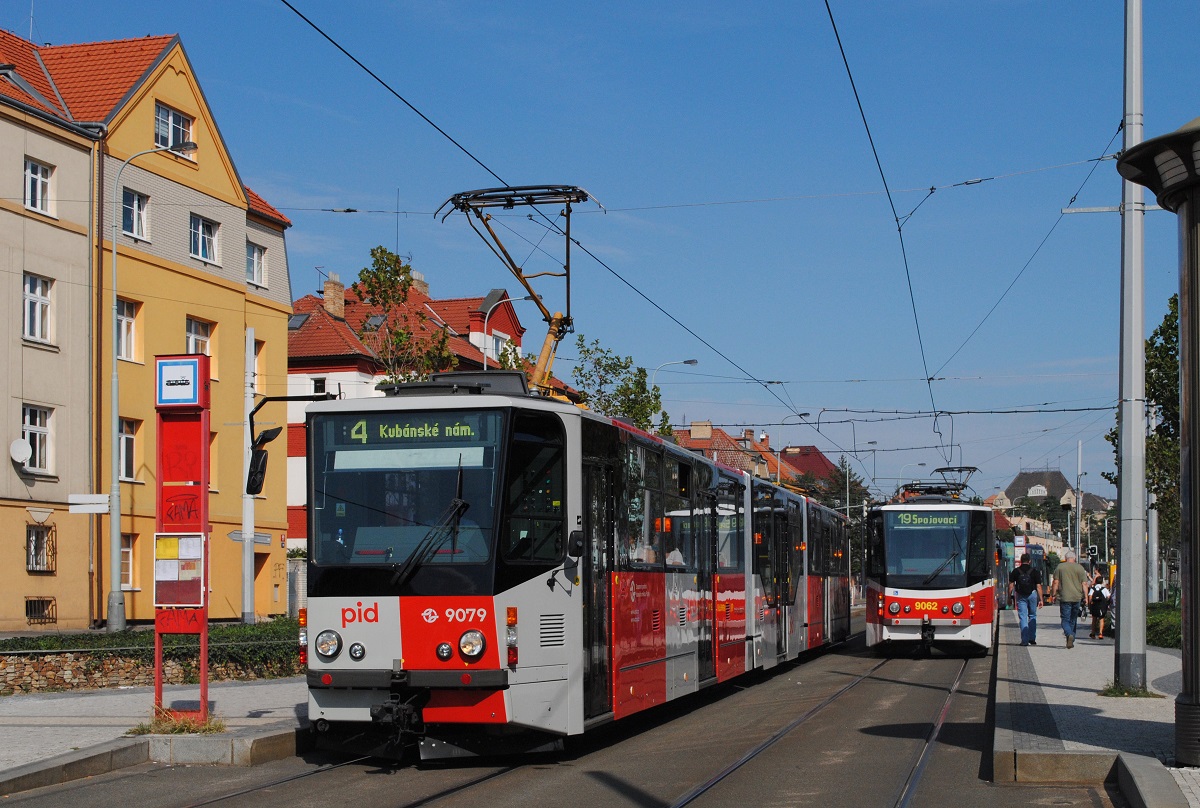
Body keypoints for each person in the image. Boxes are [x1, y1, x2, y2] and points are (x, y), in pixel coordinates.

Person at [1049, 549, 1090, 648]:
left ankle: (1068, 634)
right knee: (1073, 619)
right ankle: (1071, 637)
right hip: (1077, 598)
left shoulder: (1060, 567)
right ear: (1075, 558)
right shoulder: (1080, 568)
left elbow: (1055, 582)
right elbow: (1084, 584)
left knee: (1065, 619)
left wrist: (1053, 594)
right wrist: (1086, 598)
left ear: (1065, 558)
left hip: (1064, 597)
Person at [1008, 552, 1043, 647]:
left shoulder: (1016, 571)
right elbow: (1038, 586)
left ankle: (1024, 640)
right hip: (1032, 595)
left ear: (1020, 561)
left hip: (1021, 595)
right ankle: (1032, 639)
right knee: (1032, 616)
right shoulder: (1034, 571)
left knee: (1023, 617)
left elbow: (1011, 586)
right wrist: (1041, 599)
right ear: (1030, 561)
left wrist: (1009, 598)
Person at [1087, 573, 1111, 640]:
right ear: (1102, 581)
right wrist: (1107, 603)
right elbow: (1108, 596)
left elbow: (1090, 596)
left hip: (1094, 606)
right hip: (1102, 606)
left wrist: (1089, 605)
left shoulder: (1093, 589)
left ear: (1096, 581)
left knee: (1094, 619)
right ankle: (1100, 633)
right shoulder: (1104, 589)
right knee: (1101, 619)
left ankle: (1093, 633)